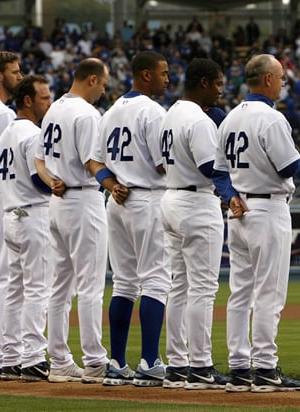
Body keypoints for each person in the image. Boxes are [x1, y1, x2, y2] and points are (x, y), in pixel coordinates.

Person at [214, 53, 300, 393]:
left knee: (240, 292)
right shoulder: (270, 118)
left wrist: (230, 195)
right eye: (280, 78)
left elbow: (219, 172)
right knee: (269, 292)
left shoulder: (231, 117)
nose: (283, 83)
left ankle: (239, 366)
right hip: (267, 208)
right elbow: (289, 168)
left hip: (238, 210)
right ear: (267, 79)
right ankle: (265, 366)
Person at [159, 58, 242, 391]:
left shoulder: (170, 114)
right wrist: (233, 189)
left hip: (171, 198)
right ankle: (201, 365)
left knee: (178, 286)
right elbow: (213, 168)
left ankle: (177, 364)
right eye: (219, 83)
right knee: (203, 289)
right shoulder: (199, 119)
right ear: (204, 82)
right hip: (196, 202)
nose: (222, 90)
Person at [89, 50, 170, 387]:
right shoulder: (152, 112)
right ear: (146, 75)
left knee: (123, 283)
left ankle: (117, 363)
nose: (167, 78)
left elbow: (93, 162)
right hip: (148, 199)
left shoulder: (111, 112)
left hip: (117, 201)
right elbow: (164, 163)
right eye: (163, 73)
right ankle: (150, 361)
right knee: (155, 280)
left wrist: (111, 184)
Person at [34, 58, 113, 384]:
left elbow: (38, 158)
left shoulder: (54, 109)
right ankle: (95, 361)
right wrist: (114, 182)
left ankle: (60, 361)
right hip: (82, 199)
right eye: (103, 83)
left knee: (60, 287)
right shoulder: (86, 113)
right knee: (91, 287)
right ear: (91, 79)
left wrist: (51, 178)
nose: (104, 90)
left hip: (58, 201)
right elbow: (92, 161)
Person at [0, 74, 51, 382]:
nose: (49, 103)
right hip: (32, 215)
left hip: (10, 215)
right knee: (36, 288)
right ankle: (32, 358)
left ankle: (9, 357)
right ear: (27, 100)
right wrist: (59, 185)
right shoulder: (33, 133)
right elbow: (37, 178)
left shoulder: (6, 133)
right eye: (44, 98)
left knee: (14, 290)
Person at [0, 51, 22, 379]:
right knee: (4, 276)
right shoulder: (2, 114)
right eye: (15, 71)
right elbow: (10, 164)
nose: (19, 76)